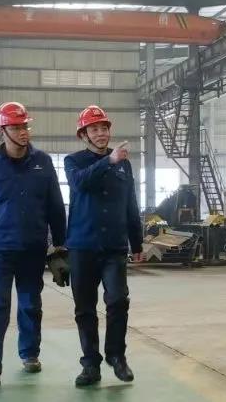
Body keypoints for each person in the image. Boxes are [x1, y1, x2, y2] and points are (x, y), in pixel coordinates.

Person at [0, 102, 67, 387]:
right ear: (3, 131)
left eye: (25, 126)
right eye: (17, 127)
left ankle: (30, 353)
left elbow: (55, 206)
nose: (23, 132)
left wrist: (61, 244)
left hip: (33, 247)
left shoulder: (43, 162)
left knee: (30, 304)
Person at [64, 105, 143, 387]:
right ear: (83, 135)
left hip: (114, 247)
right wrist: (108, 161)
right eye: (94, 129)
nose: (101, 133)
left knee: (118, 300)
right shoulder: (74, 162)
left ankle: (116, 356)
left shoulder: (123, 164)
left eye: (104, 128)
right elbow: (79, 184)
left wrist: (137, 241)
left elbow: (130, 203)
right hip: (82, 247)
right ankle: (90, 365)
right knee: (85, 308)